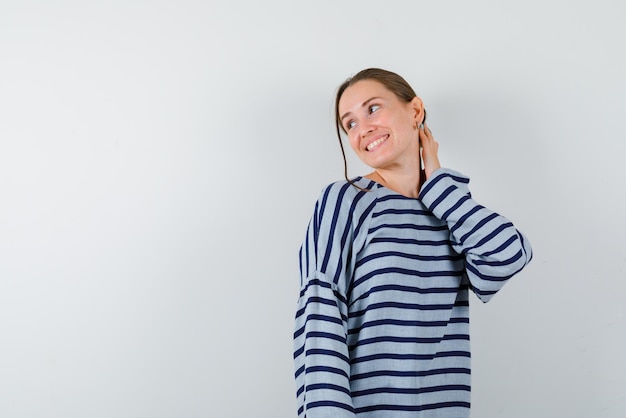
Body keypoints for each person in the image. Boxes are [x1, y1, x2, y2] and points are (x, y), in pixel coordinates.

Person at [293, 68, 533, 418]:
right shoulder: (346, 200)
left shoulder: (449, 205)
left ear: (415, 111)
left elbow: (508, 257)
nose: (363, 129)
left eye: (372, 108)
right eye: (350, 124)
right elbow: (319, 314)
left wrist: (437, 183)